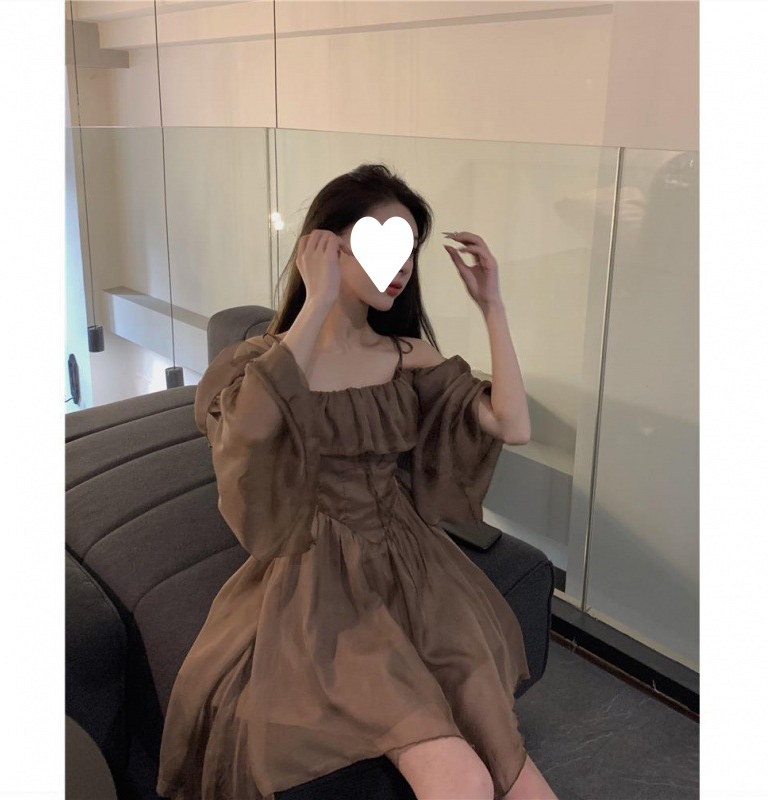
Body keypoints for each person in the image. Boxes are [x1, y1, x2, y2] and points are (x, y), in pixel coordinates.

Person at [156, 163, 558, 800]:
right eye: (381, 244)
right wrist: (315, 304)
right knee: (459, 777)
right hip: (319, 575)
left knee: (510, 763)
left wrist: (493, 307)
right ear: (325, 245)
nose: (401, 267)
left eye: (409, 251)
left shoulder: (405, 357)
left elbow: (513, 424)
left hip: (416, 563)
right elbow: (247, 432)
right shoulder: (258, 363)